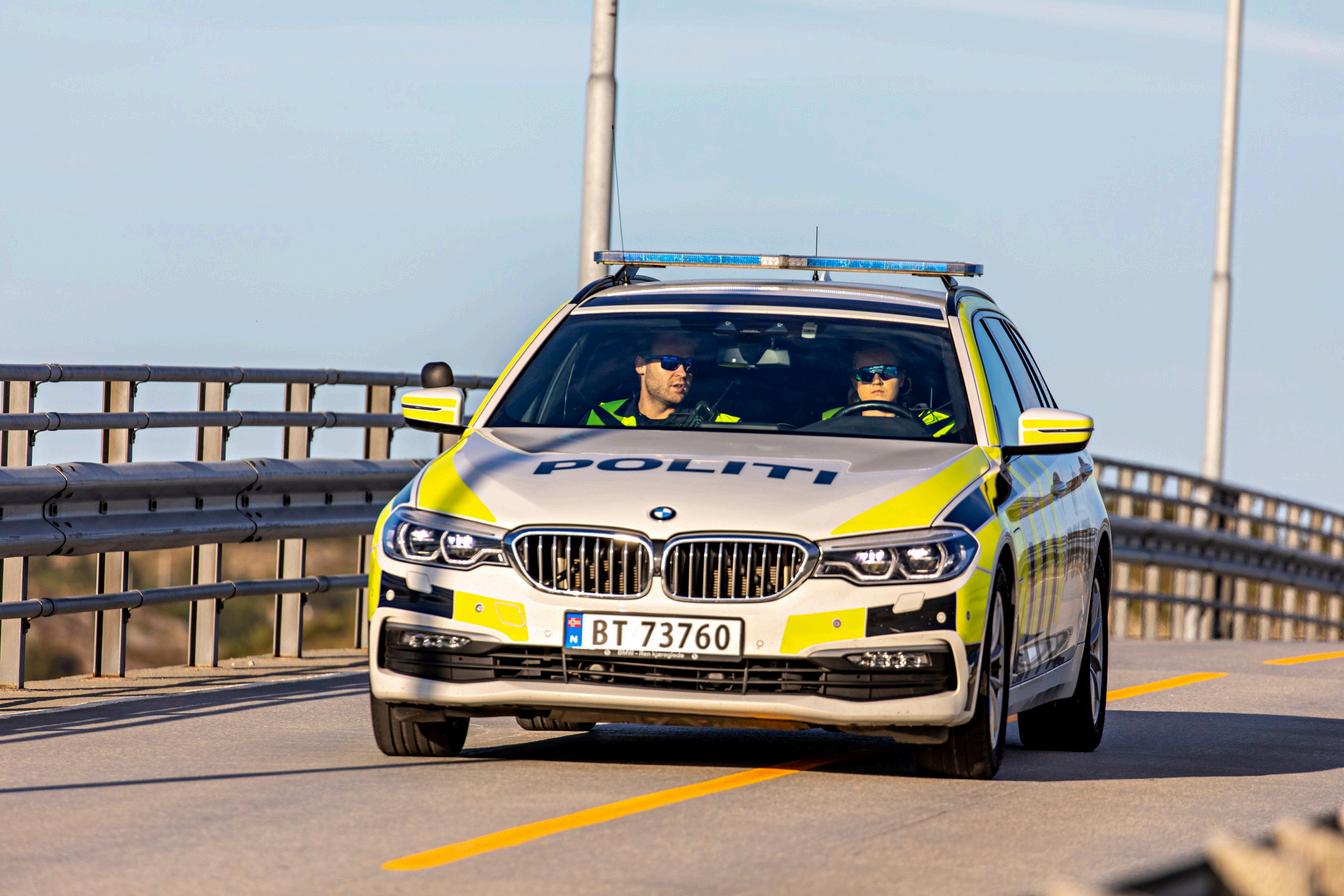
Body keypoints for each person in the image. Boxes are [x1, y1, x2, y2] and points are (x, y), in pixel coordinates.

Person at [586, 333, 740, 427]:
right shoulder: (603, 416)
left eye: (688, 364)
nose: (683, 373)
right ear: (641, 365)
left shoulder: (718, 423)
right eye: (670, 362)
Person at [821, 344, 955, 438]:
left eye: (887, 372)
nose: (877, 381)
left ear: (901, 379)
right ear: (854, 382)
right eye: (866, 374)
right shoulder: (828, 421)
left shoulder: (934, 423)